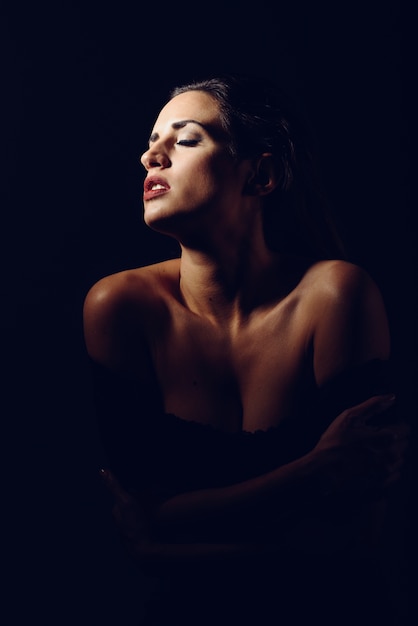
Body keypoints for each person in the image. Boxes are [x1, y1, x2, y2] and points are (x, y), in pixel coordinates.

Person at [83, 74, 409, 625]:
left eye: (184, 140)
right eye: (151, 140)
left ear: (259, 175)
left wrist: (168, 550)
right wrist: (316, 471)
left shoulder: (335, 296)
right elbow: (142, 513)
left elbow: (354, 538)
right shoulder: (118, 306)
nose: (149, 157)